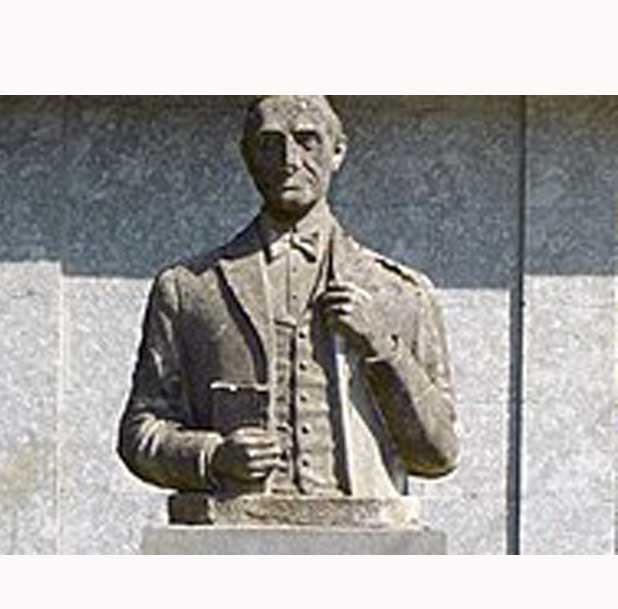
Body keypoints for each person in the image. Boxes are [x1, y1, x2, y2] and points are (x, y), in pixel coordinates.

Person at [118, 95, 458, 499]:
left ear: (337, 152)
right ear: (247, 156)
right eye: (269, 143)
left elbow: (439, 454)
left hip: (362, 524)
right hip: (236, 524)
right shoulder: (189, 289)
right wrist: (213, 456)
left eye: (307, 141)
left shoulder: (400, 294)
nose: (289, 160)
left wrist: (384, 349)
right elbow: (140, 432)